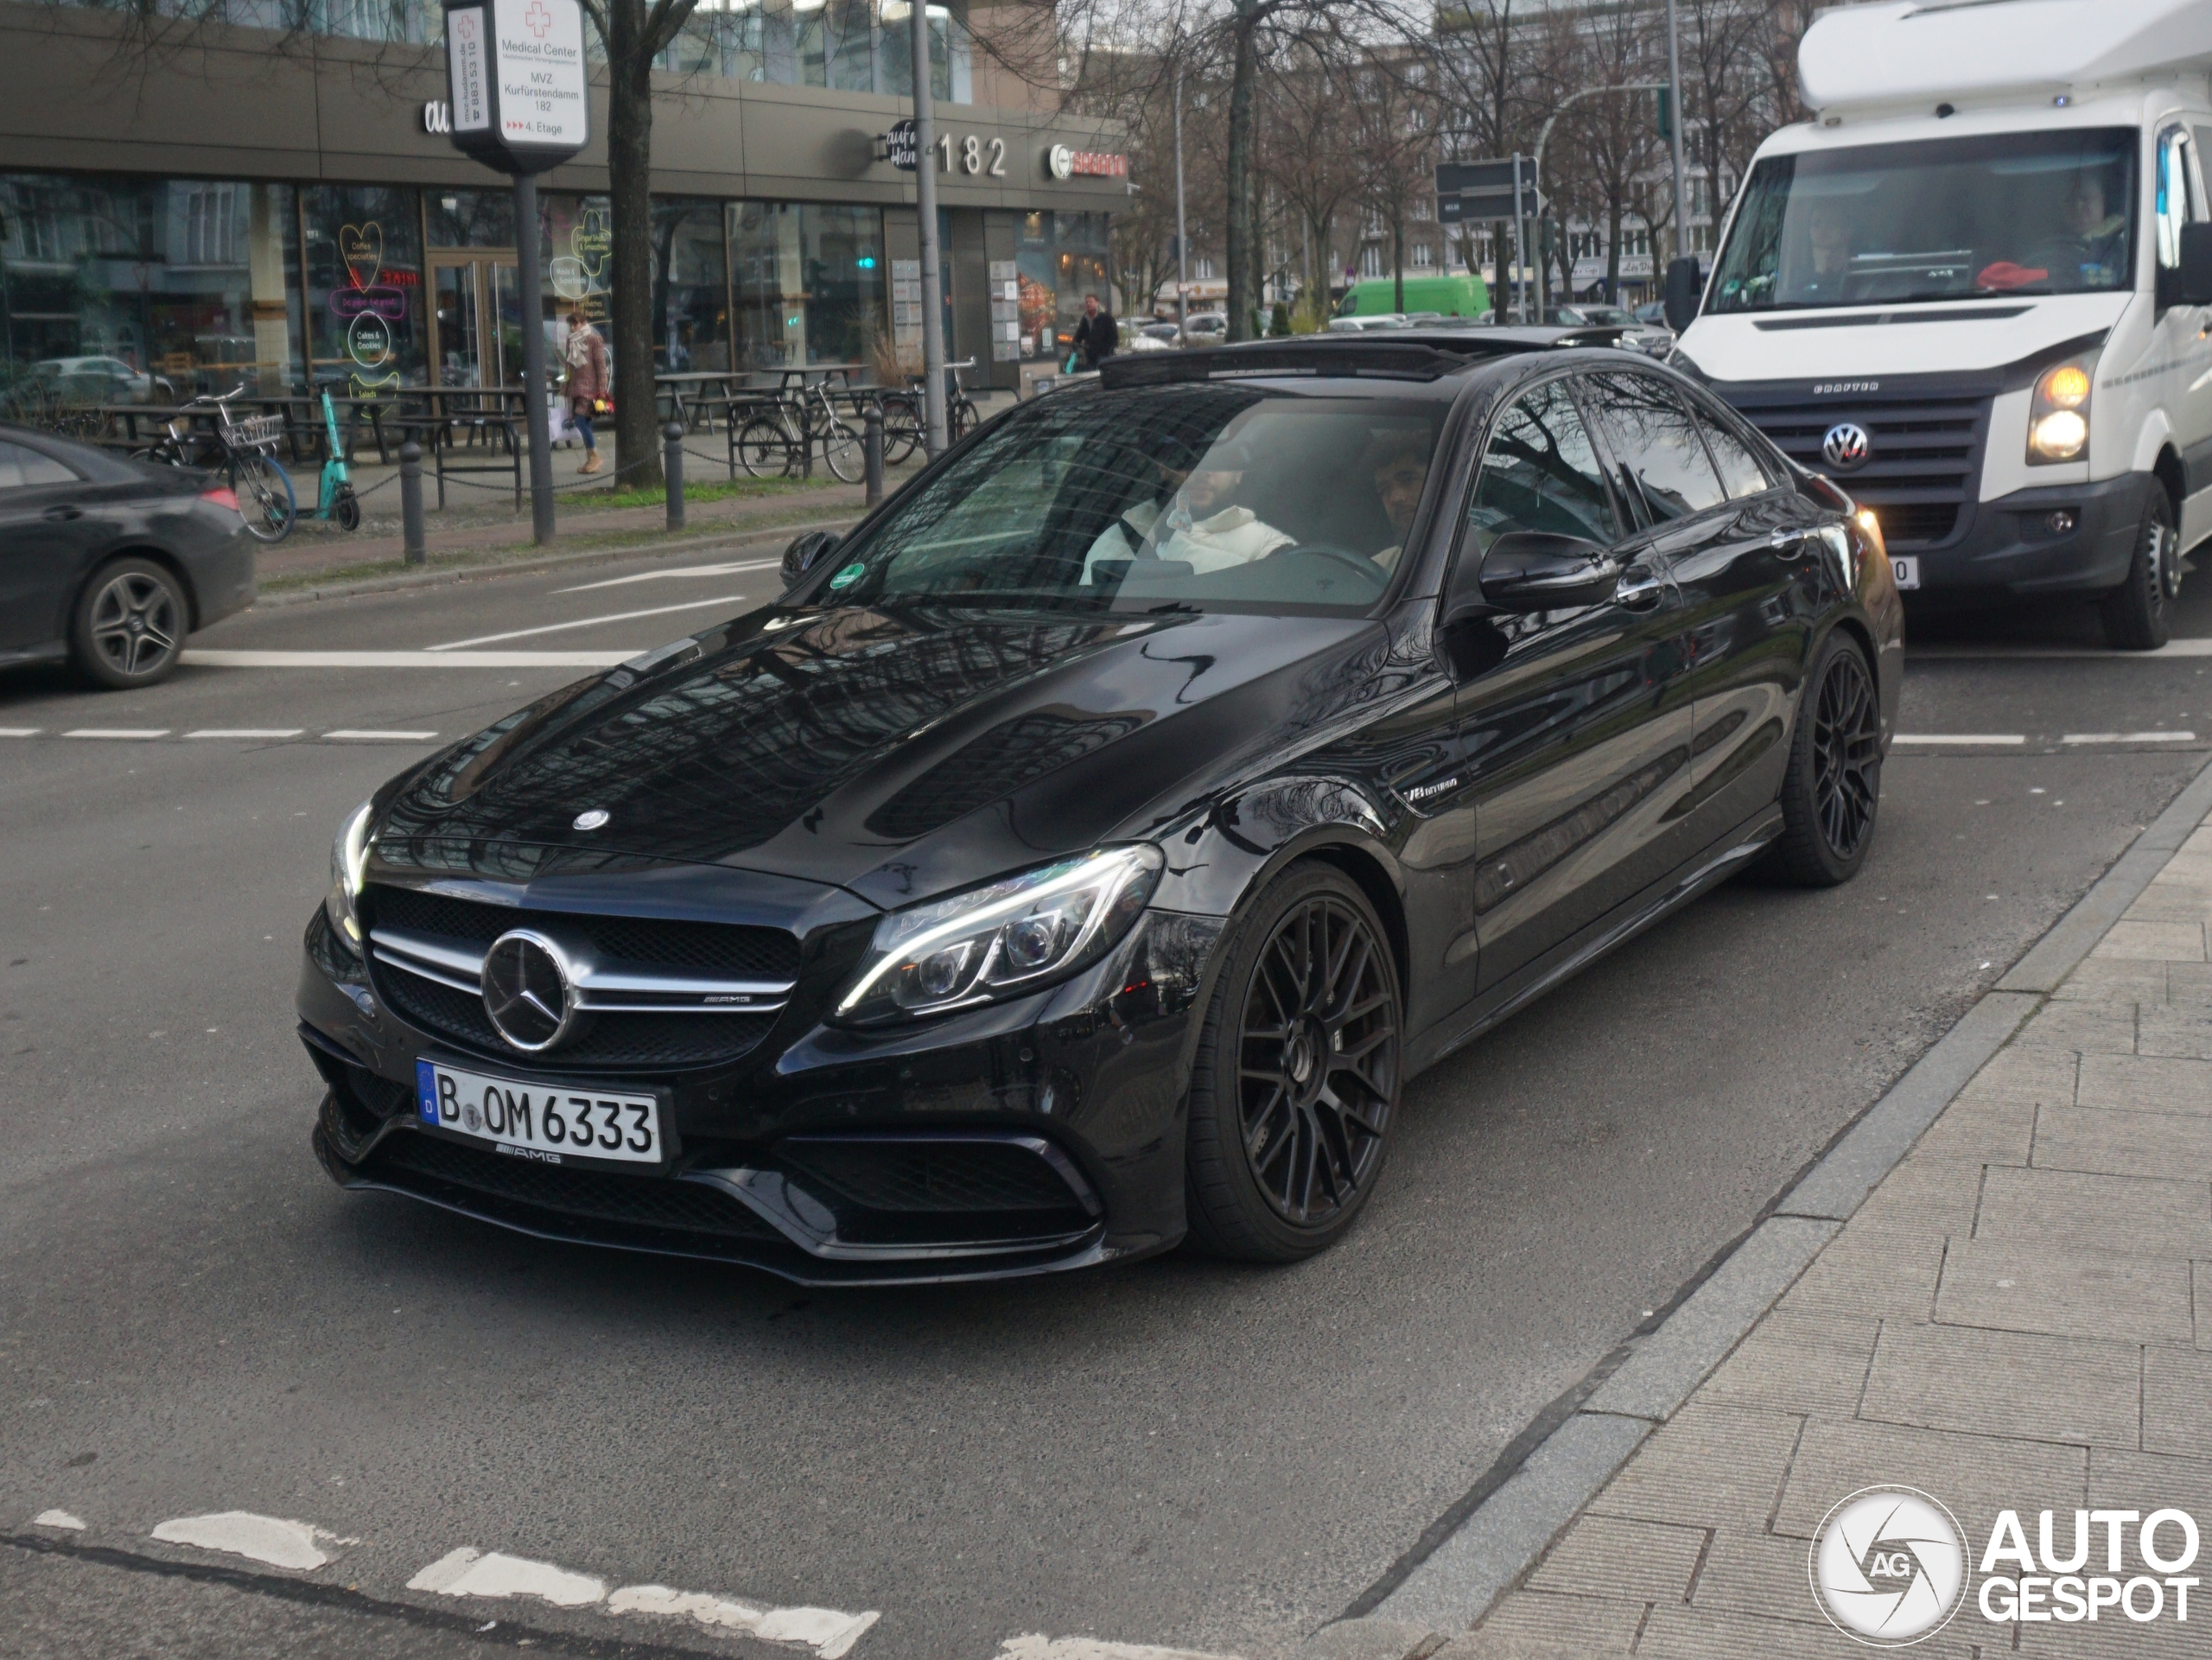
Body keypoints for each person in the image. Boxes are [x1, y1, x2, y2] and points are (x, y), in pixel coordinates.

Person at [1083, 435, 1293, 579]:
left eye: (1220, 459)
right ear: (1162, 467)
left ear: (1239, 473)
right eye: (1186, 459)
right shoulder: (1114, 541)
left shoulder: (1269, 549)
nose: (1202, 472)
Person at [1364, 428, 1432, 574]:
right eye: (1385, 490)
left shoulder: (1481, 556)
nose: (1395, 498)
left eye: (1408, 480)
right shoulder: (1376, 571)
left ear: (1437, 480)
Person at [563, 309, 609, 476]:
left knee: (581, 422)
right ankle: (591, 459)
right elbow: (569, 367)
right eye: (571, 324)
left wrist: (602, 391)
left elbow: (601, 367)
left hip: (590, 391)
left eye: (575, 324)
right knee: (584, 423)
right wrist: (566, 386)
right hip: (575, 389)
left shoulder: (594, 340)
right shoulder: (570, 342)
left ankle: (594, 456)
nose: (573, 327)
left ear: (583, 323)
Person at [1072, 293, 1117, 369]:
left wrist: (1107, 349)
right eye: (1087, 302)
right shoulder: (1085, 319)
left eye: (1091, 302)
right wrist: (1074, 344)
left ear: (1097, 303)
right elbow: (1080, 333)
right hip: (1090, 355)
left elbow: (1113, 336)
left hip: (1104, 355)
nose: (1088, 304)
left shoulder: (1106, 318)